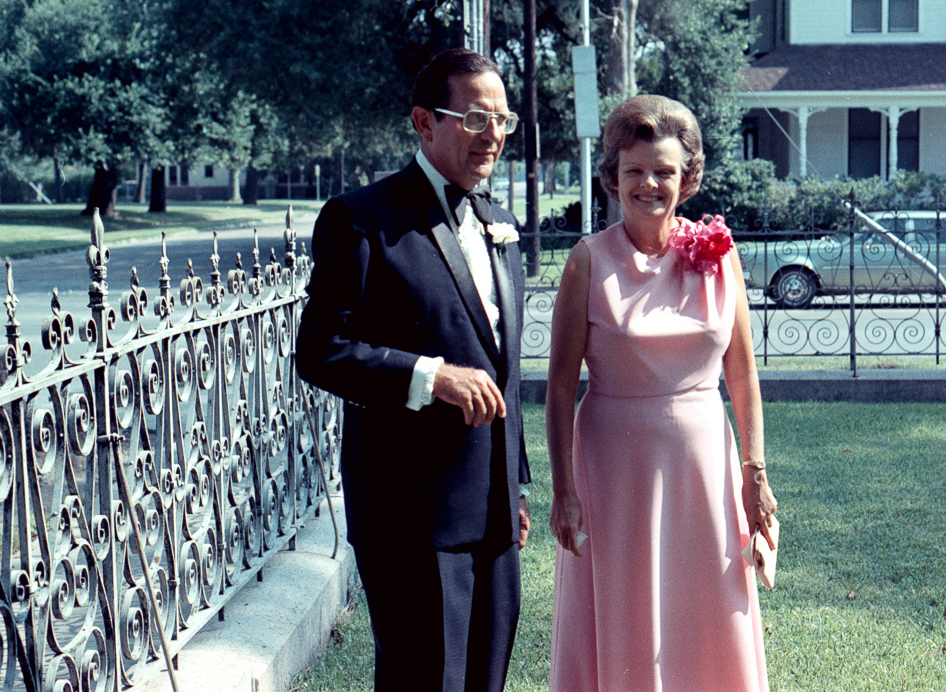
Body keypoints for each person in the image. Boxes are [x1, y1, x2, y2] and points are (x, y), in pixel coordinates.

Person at [295, 48, 531, 692]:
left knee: (486, 680)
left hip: (493, 512)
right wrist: (429, 377)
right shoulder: (363, 220)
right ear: (424, 123)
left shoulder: (500, 224)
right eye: (477, 119)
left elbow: (501, 367)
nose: (495, 137)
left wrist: (517, 484)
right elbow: (319, 351)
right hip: (410, 515)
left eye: (504, 121)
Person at [546, 94, 777, 691]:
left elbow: (743, 376)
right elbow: (561, 384)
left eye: (665, 171)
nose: (649, 184)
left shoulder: (721, 260)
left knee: (707, 606)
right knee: (625, 609)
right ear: (613, 177)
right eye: (635, 171)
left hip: (704, 466)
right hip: (613, 466)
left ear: (688, 178)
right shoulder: (587, 261)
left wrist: (754, 473)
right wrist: (563, 489)